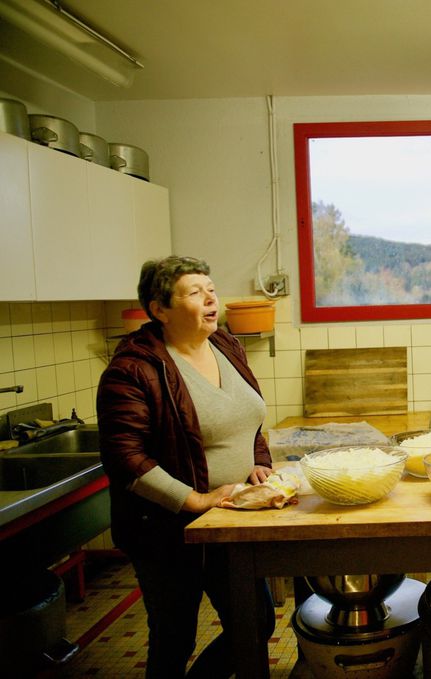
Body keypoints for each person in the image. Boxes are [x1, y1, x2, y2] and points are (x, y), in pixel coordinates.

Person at [97, 256, 276, 679]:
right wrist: (194, 500)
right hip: (166, 530)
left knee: (256, 624)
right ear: (159, 309)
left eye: (211, 288)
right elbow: (126, 458)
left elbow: (248, 420)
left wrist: (259, 464)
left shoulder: (225, 346)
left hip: (229, 520)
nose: (211, 298)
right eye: (195, 292)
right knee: (175, 637)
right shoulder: (133, 369)